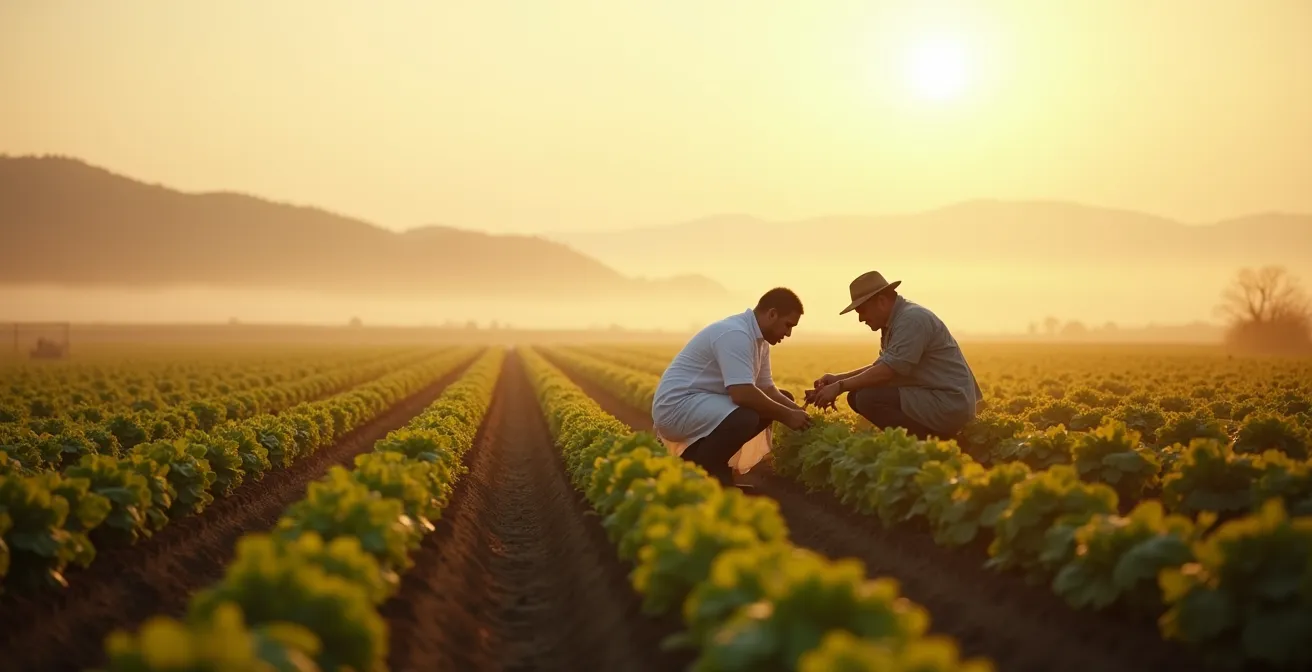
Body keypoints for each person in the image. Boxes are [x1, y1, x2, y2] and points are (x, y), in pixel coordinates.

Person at [652, 288, 812, 486]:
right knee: (746, 416)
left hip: (700, 404)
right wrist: (787, 415)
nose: (788, 333)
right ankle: (701, 470)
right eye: (788, 325)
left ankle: (702, 461)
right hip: (677, 407)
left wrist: (798, 413)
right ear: (772, 314)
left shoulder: (759, 341)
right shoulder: (736, 334)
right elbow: (742, 394)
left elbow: (767, 389)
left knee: (779, 400)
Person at [807, 270, 982, 440]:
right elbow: (882, 367)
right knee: (856, 395)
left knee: (868, 398)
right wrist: (838, 379)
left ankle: (932, 443)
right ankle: (922, 441)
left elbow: (887, 371)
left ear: (881, 301)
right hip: (933, 396)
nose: (861, 319)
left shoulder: (912, 319)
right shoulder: (896, 321)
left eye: (862, 311)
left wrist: (839, 386)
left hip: (949, 403)